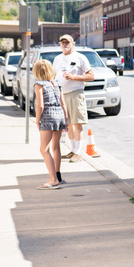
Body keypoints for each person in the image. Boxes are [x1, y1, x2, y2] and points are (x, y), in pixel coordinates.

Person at [53, 35, 94, 163]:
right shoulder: (57, 59)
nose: (65, 45)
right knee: (68, 124)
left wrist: (74, 77)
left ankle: (78, 152)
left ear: (73, 44)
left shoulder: (80, 57)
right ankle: (73, 150)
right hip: (62, 94)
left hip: (76, 93)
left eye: (67, 42)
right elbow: (54, 75)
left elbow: (91, 76)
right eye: (63, 42)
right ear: (60, 44)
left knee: (77, 123)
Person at [33, 59, 69, 189]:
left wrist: (37, 120)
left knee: (44, 149)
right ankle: (58, 175)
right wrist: (66, 120)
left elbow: (40, 106)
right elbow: (63, 103)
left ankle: (53, 180)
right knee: (56, 146)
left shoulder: (39, 84)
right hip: (59, 115)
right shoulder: (56, 83)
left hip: (48, 116)